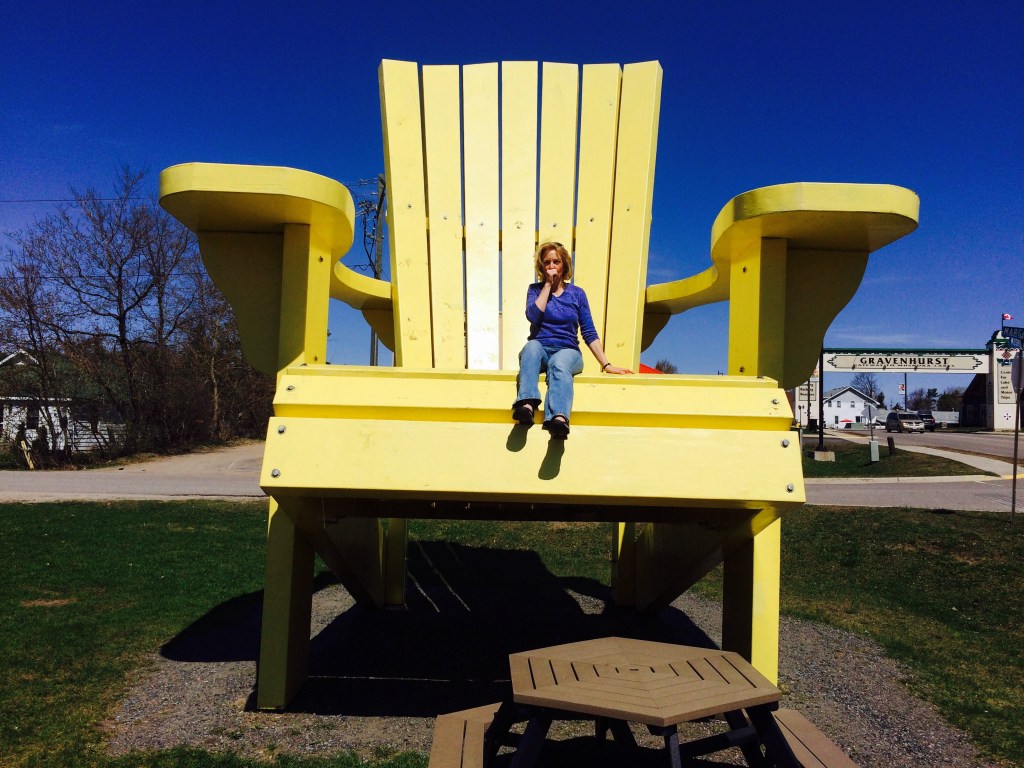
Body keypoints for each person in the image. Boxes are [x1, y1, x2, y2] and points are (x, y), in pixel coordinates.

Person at [511, 241, 632, 439]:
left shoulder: (577, 294)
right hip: (541, 347)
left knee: (559, 363)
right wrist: (547, 285)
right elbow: (533, 316)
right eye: (547, 262)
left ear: (564, 265)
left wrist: (606, 364)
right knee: (530, 348)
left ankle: (558, 418)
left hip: (568, 351)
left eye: (556, 262)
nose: (551, 266)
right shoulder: (535, 290)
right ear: (542, 266)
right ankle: (527, 405)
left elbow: (589, 331)